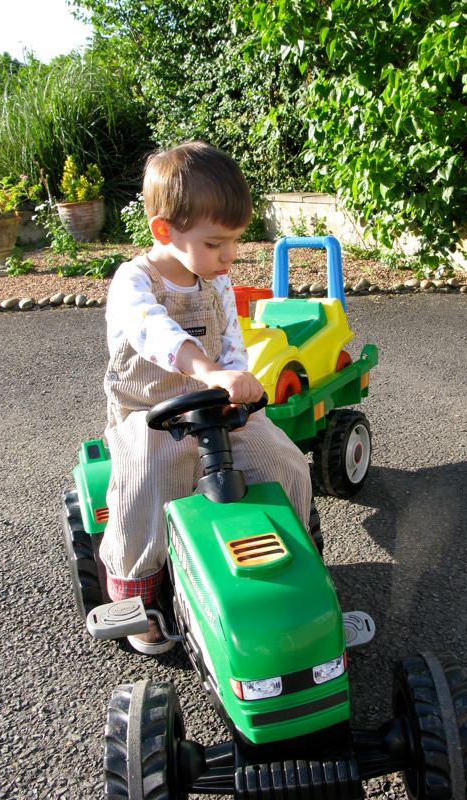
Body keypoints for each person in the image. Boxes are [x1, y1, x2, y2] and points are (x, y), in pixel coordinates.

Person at [100, 141, 313, 654]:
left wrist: (239, 379)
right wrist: (210, 371)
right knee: (148, 480)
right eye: (217, 243)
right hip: (149, 416)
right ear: (164, 231)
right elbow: (159, 335)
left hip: (218, 408)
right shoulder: (134, 282)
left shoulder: (215, 282)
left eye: (234, 242)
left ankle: (301, 565)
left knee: (282, 459)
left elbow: (232, 344)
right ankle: (139, 592)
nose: (230, 256)